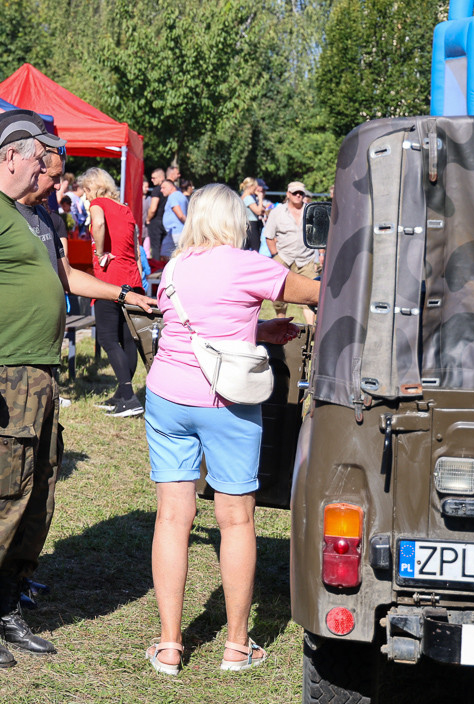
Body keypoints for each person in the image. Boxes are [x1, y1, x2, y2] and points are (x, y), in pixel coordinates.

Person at [0, 110, 155, 669]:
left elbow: (60, 279)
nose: (49, 175)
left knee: (38, 493)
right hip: (2, 374)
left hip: (38, 376)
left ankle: (7, 607)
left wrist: (123, 295)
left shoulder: (27, 214)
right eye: (41, 161)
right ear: (13, 155)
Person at [142, 183, 319, 676]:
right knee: (236, 520)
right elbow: (314, 292)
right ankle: (237, 646)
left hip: (168, 396)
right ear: (236, 221)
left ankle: (170, 646)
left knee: (172, 519)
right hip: (225, 400)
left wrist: (255, 329)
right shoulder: (245, 264)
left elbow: (193, 324)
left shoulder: (175, 266)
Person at [86, 167, 146, 417]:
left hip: (109, 280)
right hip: (131, 278)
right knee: (127, 338)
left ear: (93, 187)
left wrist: (100, 253)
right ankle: (123, 395)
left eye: (86, 190)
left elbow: (98, 222)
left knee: (108, 338)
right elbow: (136, 246)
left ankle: (128, 395)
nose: (86, 196)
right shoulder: (125, 208)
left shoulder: (98, 204)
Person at [265, 180, 321, 325]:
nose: (298, 195)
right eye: (295, 193)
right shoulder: (277, 212)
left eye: (300, 193)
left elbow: (320, 236)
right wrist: (275, 255)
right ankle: (280, 324)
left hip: (306, 260)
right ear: (288, 194)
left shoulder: (311, 211)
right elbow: (269, 236)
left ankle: (312, 331)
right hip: (284, 257)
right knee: (278, 294)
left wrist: (320, 256)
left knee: (312, 295)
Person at [159, 179, 188, 258]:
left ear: (171, 187)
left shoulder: (172, 197)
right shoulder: (181, 196)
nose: (161, 190)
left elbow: (180, 215)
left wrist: (189, 225)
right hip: (179, 231)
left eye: (163, 188)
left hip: (175, 232)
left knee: (165, 255)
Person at [145, 168, 167, 262]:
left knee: (155, 247)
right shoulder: (169, 190)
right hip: (165, 221)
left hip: (156, 222)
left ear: (161, 177)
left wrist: (148, 219)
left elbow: (153, 208)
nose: (152, 180)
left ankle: (156, 267)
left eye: (154, 178)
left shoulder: (157, 190)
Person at [239, 177, 263, 251]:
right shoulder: (248, 198)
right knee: (255, 248)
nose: (255, 190)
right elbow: (258, 211)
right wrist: (260, 198)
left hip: (245, 225)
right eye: (254, 188)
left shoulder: (242, 196)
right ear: (250, 187)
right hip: (252, 225)